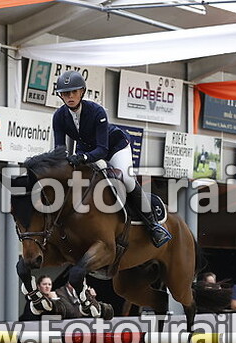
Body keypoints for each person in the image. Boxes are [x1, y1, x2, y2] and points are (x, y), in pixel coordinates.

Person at [52, 70, 171, 248]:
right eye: (65, 93)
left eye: (73, 92)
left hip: (114, 147)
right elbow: (60, 149)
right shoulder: (59, 116)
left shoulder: (96, 111)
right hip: (86, 150)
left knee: (127, 179)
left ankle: (153, 225)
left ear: (82, 92)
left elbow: (102, 149)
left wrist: (82, 157)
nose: (69, 96)